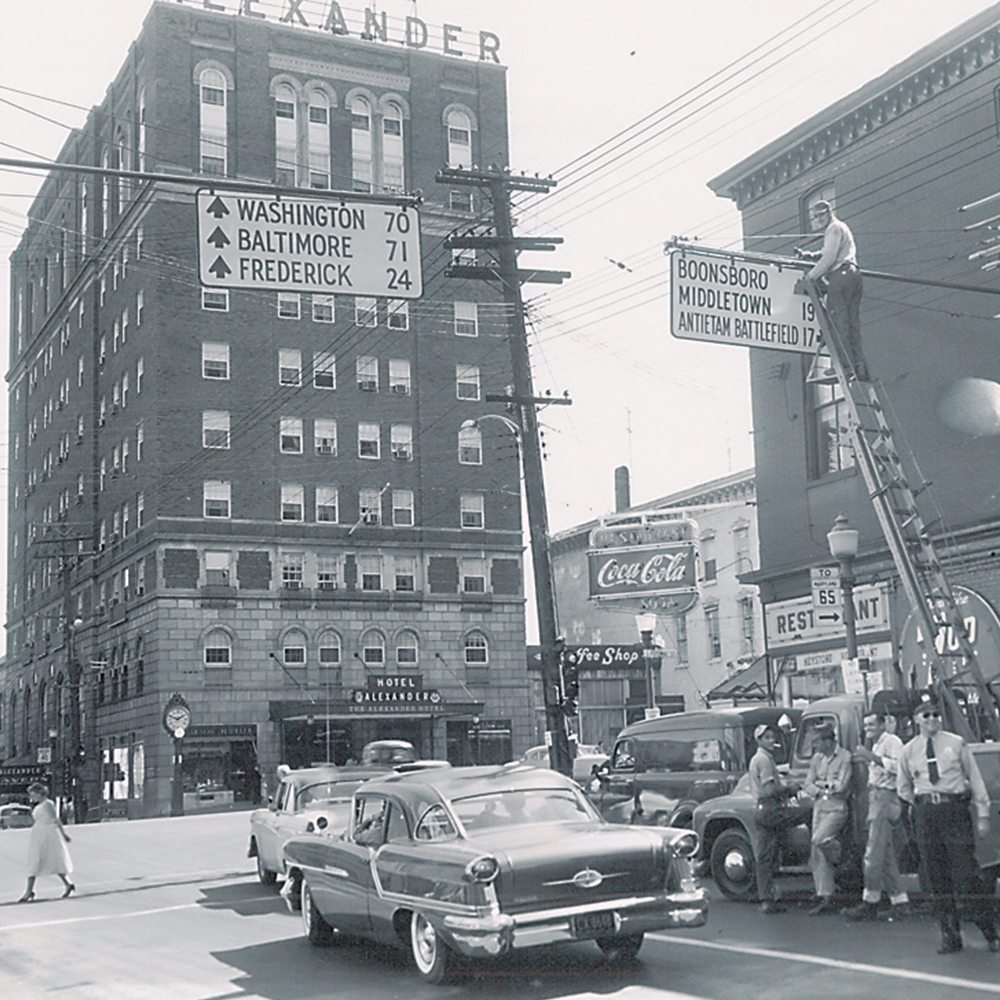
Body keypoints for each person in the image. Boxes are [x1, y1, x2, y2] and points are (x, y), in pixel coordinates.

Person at [897, 695, 999, 954]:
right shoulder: (909, 750)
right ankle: (950, 935)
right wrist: (922, 804)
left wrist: (983, 814)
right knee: (936, 877)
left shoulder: (955, 743)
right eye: (926, 715)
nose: (932, 719)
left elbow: (974, 778)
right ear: (917, 720)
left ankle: (990, 931)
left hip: (954, 811)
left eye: (935, 714)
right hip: (927, 815)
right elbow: (903, 787)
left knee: (966, 875)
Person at [844, 713, 910, 921]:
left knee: (872, 854)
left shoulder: (892, 741)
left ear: (883, 724)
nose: (868, 728)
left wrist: (869, 757)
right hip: (877, 798)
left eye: (872, 724)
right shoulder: (874, 744)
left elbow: (899, 768)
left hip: (885, 798)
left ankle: (869, 901)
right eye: (866, 725)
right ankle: (900, 902)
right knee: (886, 854)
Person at [797, 200, 867, 380]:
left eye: (821, 215)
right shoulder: (840, 228)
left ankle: (844, 366)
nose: (818, 219)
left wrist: (809, 277)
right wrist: (810, 255)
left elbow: (829, 259)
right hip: (854, 275)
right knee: (852, 324)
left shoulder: (833, 228)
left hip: (841, 276)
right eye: (815, 216)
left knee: (838, 323)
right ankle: (859, 367)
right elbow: (828, 251)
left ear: (830, 212)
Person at [748, 723, 798, 914]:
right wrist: (789, 788)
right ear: (759, 740)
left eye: (772, 736)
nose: (771, 740)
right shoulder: (765, 760)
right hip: (770, 809)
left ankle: (766, 896)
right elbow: (769, 789)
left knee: (765, 855)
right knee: (806, 813)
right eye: (766, 737)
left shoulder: (757, 759)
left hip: (761, 810)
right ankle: (768, 899)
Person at [803, 723, 852, 915]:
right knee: (817, 854)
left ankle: (842, 860)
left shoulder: (845, 757)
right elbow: (808, 783)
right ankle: (826, 895)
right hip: (820, 806)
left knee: (820, 839)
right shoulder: (817, 759)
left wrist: (820, 785)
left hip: (836, 807)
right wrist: (822, 788)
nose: (815, 747)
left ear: (828, 741)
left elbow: (841, 786)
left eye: (818, 742)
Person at [18, 782, 75, 902]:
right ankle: (67, 884)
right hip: (38, 834)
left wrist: (63, 834)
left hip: (47, 834)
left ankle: (29, 891)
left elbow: (56, 819)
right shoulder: (39, 806)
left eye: (33, 794)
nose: (32, 797)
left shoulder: (48, 804)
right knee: (37, 861)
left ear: (40, 793)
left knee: (45, 860)